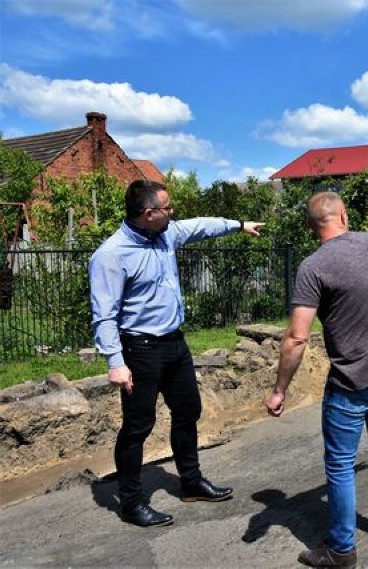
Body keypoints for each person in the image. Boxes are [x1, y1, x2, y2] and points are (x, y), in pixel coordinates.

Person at [265, 192, 368, 568]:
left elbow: (296, 337)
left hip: (351, 383)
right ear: (343, 215)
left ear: (313, 227)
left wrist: (279, 391)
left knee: (340, 464)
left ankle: (341, 549)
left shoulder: (313, 267)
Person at [89, 179, 265, 528]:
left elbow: (201, 226)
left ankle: (191, 482)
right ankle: (131, 502)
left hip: (174, 343)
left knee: (188, 411)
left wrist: (239, 225)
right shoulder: (111, 255)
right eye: (167, 208)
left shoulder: (166, 233)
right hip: (139, 348)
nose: (173, 213)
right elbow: (104, 314)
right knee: (138, 427)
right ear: (147, 213)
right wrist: (115, 362)